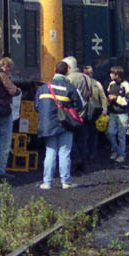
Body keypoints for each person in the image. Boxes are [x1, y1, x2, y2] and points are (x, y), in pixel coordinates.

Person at [35, 60, 82, 189]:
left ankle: (47, 182)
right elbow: (79, 105)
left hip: (48, 124)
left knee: (50, 152)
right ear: (67, 72)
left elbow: (37, 106)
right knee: (64, 152)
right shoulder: (70, 87)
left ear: (55, 70)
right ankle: (65, 182)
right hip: (66, 124)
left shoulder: (44, 87)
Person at [65, 58, 97, 172]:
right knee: (83, 140)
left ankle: (74, 161)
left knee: (70, 140)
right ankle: (83, 162)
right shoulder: (86, 78)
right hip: (84, 114)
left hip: (71, 115)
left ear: (69, 67)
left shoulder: (68, 79)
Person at [105, 65, 129, 166]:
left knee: (121, 135)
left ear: (117, 74)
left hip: (122, 113)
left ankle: (121, 154)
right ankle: (115, 150)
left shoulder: (126, 85)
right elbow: (107, 95)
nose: (110, 75)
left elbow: (127, 101)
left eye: (112, 73)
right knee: (110, 133)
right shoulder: (111, 84)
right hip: (112, 112)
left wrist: (116, 98)